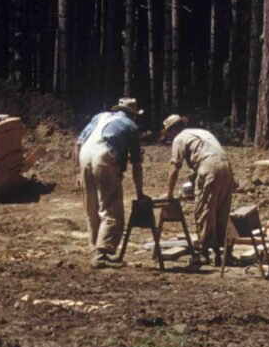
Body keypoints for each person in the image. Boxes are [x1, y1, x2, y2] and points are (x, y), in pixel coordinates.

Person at [76, 97, 146, 268]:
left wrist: (77, 171)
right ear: (133, 114)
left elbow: (78, 142)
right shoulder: (131, 126)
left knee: (91, 206)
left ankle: (96, 248)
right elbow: (136, 164)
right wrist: (140, 193)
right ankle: (102, 254)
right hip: (105, 158)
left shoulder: (99, 117)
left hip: (85, 155)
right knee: (111, 208)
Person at [159, 115, 235, 266]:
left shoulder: (179, 139)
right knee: (221, 210)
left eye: (169, 132)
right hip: (226, 166)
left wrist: (169, 193)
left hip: (209, 166)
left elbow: (175, 167)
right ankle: (223, 251)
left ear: (173, 129)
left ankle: (205, 252)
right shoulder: (201, 133)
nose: (169, 136)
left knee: (204, 210)